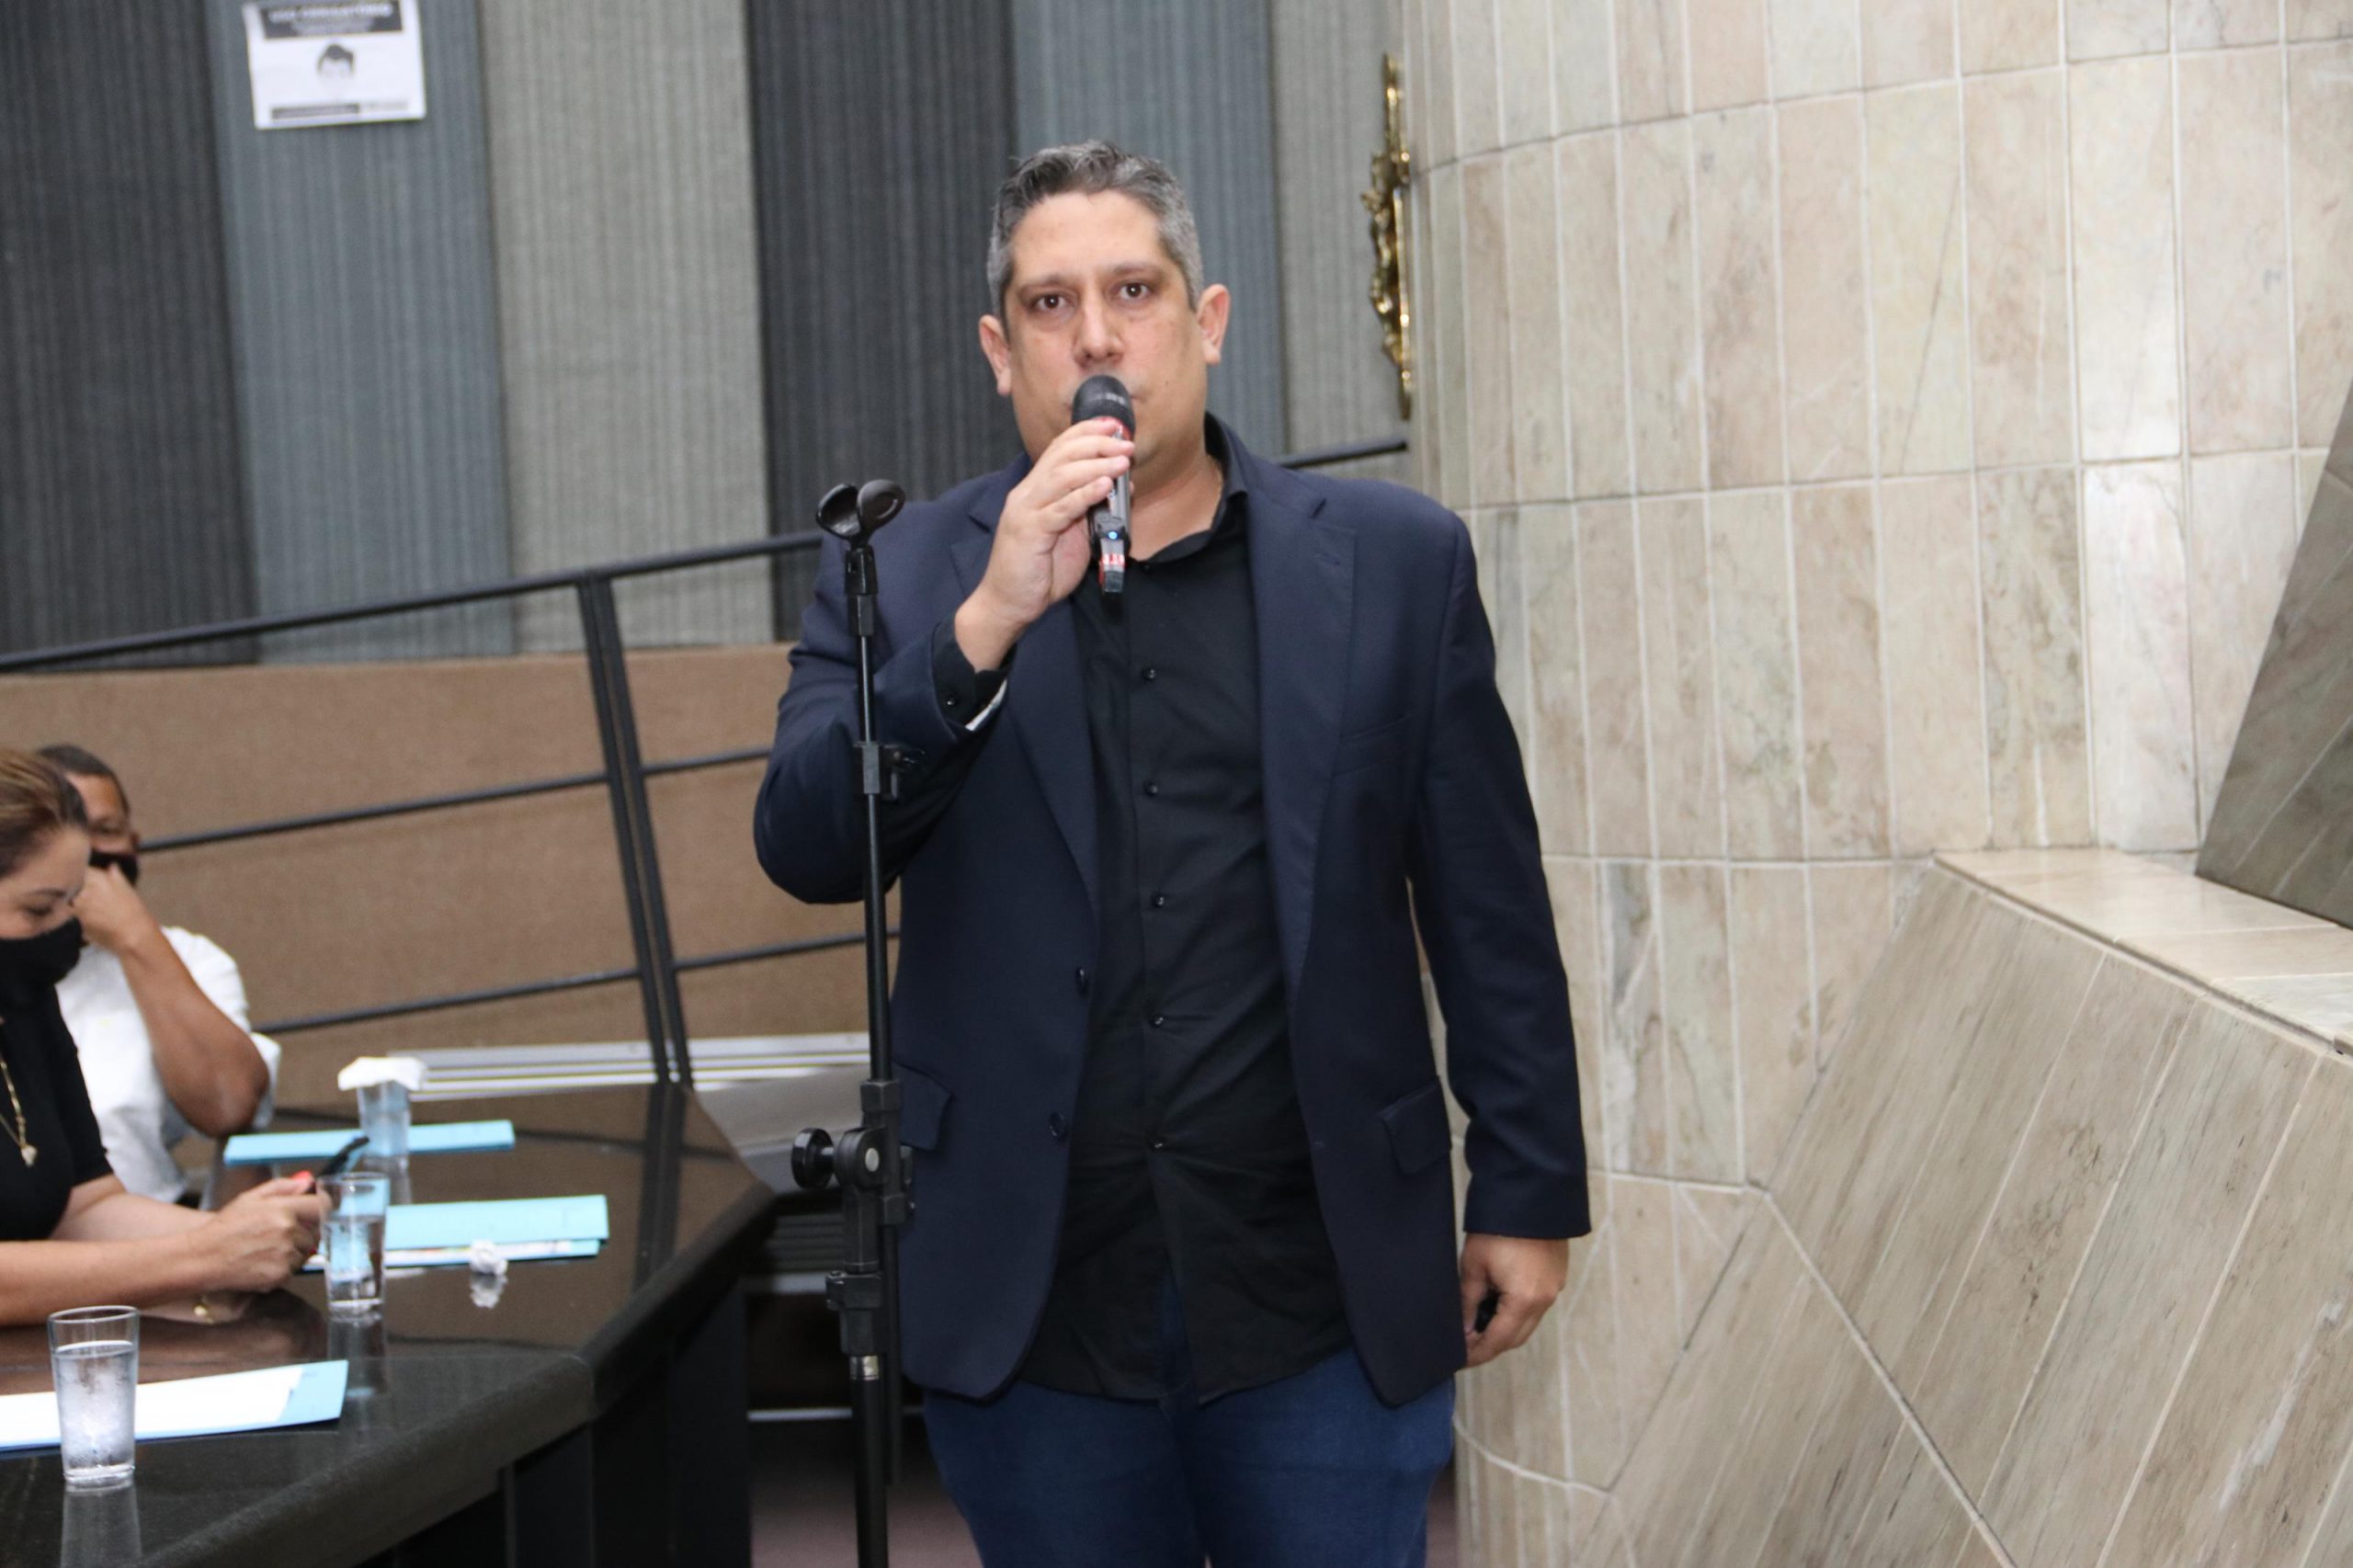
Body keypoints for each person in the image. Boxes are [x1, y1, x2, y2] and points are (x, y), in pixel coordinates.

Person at [755, 142, 1587, 1566]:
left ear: (1206, 321)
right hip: (1039, 1306)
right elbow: (807, 840)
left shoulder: (1394, 560)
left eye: (1133, 292)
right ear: (999, 351)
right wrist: (981, 629)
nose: (1096, 336)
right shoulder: (907, 575)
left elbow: (1486, 901)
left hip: (1317, 1288)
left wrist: (1527, 1184)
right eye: (1051, 304)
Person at [0, 749, 323, 1326]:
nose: (64, 931)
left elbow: (86, 1205)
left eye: (71, 903)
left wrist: (251, 1232)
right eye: (39, 909)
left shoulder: (25, 1000)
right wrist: (203, 1255)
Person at [36, 744, 281, 1203]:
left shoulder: (190, 957)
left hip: (148, 1216)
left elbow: (228, 1106)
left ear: (134, 842)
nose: (86, 853)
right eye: (63, 832)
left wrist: (134, 937)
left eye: (105, 831)